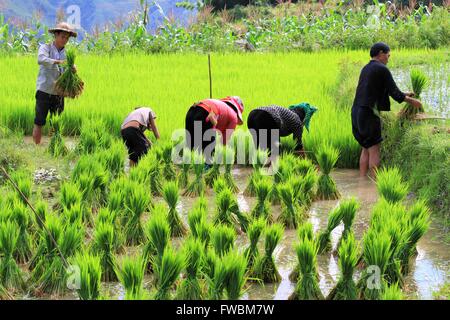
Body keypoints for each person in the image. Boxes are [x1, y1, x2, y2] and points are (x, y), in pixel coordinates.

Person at [351, 42, 422, 178]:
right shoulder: (382, 69)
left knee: (365, 148)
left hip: (356, 112)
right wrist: (413, 102)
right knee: (374, 149)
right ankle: (373, 185)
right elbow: (394, 93)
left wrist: (405, 94)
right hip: (369, 113)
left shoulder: (366, 68)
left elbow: (385, 90)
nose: (388, 59)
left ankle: (361, 181)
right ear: (381, 53)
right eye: (388, 55)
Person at [33, 22, 77, 144]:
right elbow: (41, 59)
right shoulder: (45, 48)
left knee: (56, 122)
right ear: (56, 35)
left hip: (59, 93)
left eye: (67, 38)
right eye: (63, 37)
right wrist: (57, 62)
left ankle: (54, 147)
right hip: (44, 90)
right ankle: (36, 149)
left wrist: (72, 70)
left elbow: (67, 73)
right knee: (39, 121)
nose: (65, 40)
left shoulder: (67, 54)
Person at [247, 102, 317, 161]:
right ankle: (271, 172)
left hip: (252, 116)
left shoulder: (287, 114)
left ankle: (257, 171)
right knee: (275, 151)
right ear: (304, 118)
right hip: (267, 117)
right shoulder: (297, 122)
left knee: (261, 148)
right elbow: (298, 146)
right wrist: (305, 161)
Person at [185, 96, 244, 163]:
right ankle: (208, 167)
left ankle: (187, 166)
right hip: (206, 114)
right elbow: (224, 140)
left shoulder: (219, 104)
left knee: (191, 143)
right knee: (209, 145)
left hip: (192, 111)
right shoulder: (234, 117)